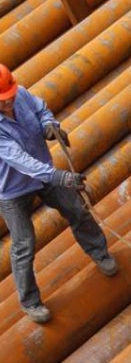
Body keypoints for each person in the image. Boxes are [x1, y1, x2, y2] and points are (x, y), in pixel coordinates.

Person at [0, 64, 118, 324]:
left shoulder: (21, 94)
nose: (9, 103)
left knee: (76, 209)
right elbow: (21, 161)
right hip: (13, 189)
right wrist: (61, 177)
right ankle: (30, 302)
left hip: (45, 174)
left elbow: (41, 110)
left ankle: (100, 253)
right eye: (2, 101)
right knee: (24, 244)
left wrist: (49, 125)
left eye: (10, 97)